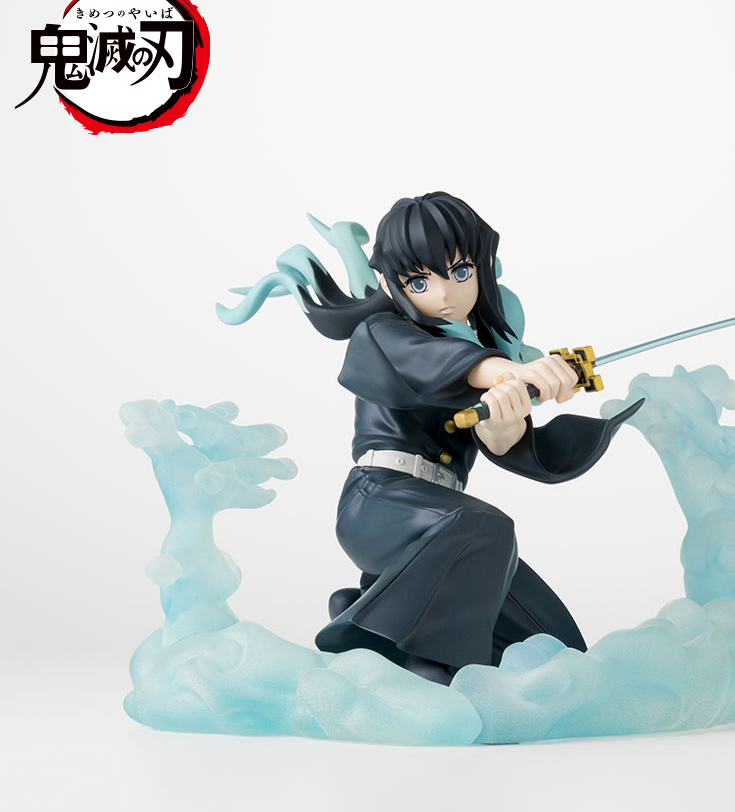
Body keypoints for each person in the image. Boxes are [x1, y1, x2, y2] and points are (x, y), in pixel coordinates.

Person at [227, 192, 641, 683]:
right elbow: (435, 363)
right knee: (487, 528)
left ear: (483, 269)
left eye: (461, 272)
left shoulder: (484, 348)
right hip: (380, 503)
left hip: (446, 525)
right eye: (420, 281)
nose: (445, 294)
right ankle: (409, 657)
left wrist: (506, 413)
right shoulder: (384, 334)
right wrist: (508, 371)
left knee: (556, 648)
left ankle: (371, 608)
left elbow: (500, 440)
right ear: (392, 284)